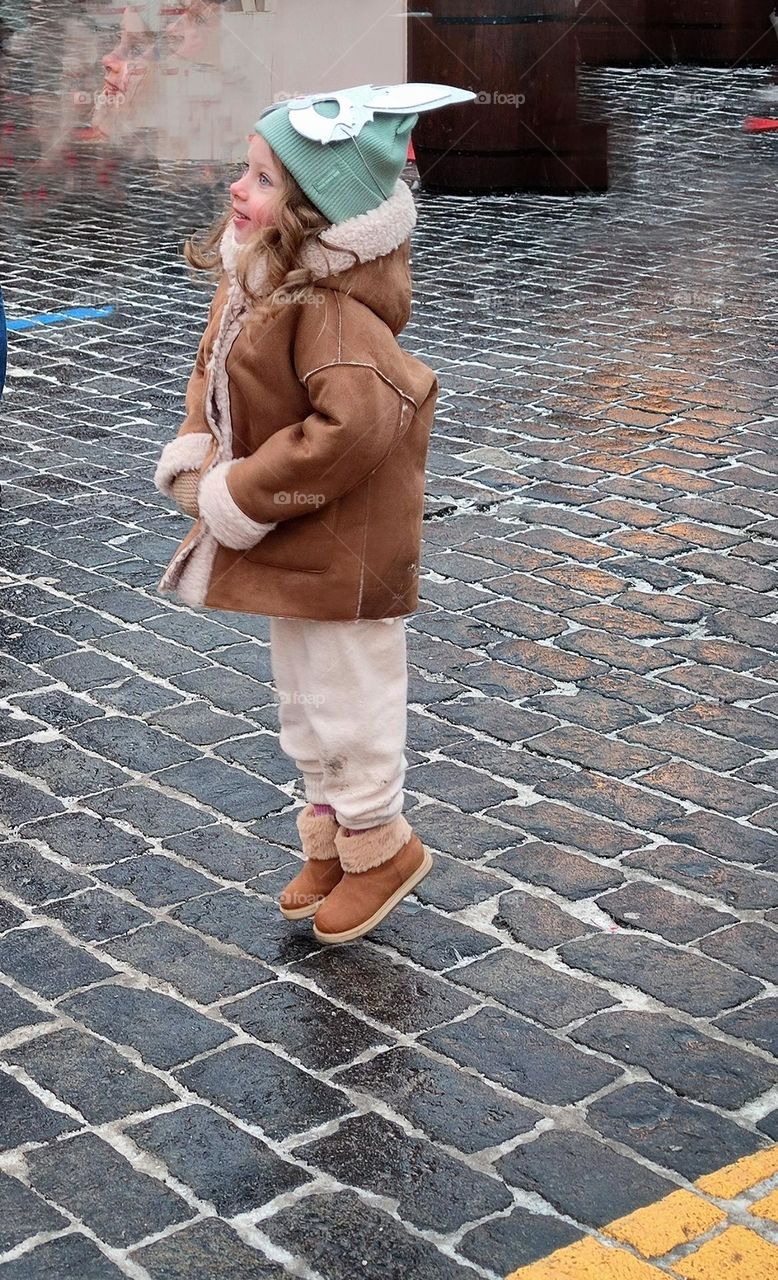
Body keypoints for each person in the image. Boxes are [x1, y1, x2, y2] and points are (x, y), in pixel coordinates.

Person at [153, 83, 473, 945]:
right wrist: (195, 452)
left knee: (352, 698)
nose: (236, 189)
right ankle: (331, 841)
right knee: (305, 695)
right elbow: (209, 374)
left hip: (347, 549)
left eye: (260, 179)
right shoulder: (254, 277)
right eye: (244, 170)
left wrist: (241, 494)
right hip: (299, 544)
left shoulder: (329, 311)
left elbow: (359, 421)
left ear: (310, 210)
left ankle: (382, 848)